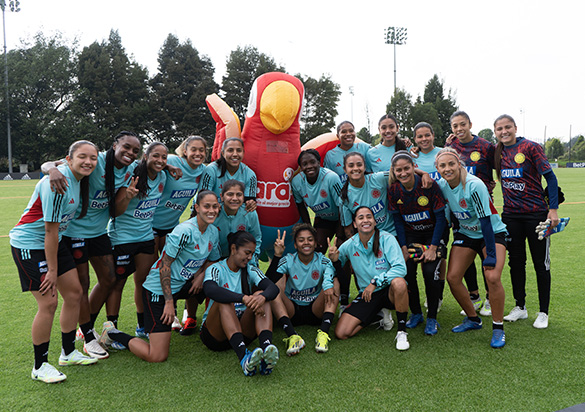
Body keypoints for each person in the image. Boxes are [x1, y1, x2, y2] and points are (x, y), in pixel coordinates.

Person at [41, 131, 142, 359]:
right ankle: (88, 336)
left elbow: (115, 210)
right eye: (126, 147)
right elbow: (50, 164)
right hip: (74, 232)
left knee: (109, 279)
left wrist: (127, 196)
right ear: (115, 144)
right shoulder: (95, 158)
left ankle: (86, 326)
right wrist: (53, 170)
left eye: (135, 151)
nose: (130, 153)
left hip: (98, 232)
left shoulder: (129, 170)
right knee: (82, 284)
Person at [10, 140, 99, 383]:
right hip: (30, 244)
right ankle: (39, 366)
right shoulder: (57, 183)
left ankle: (68, 352)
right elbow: (49, 231)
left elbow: (54, 234)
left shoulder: (75, 176)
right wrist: (52, 270)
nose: (88, 161)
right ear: (68, 159)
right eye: (82, 156)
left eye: (93, 157)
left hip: (54, 242)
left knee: (74, 293)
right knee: (48, 302)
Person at [99, 190, 221, 362]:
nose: (211, 210)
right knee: (157, 355)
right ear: (197, 208)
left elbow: (213, 260)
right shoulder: (184, 231)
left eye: (215, 206)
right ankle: (112, 333)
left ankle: (212, 330)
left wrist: (200, 276)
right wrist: (169, 302)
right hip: (159, 290)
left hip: (185, 284)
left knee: (217, 286)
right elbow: (165, 265)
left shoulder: (213, 232)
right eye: (206, 206)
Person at [435, 148, 508, 348]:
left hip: (491, 233)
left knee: (492, 277)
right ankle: (473, 319)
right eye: (443, 165)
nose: (447, 168)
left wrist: (490, 255)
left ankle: (498, 328)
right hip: (467, 234)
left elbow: (485, 221)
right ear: (437, 168)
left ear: (459, 164)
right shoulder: (441, 185)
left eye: (451, 164)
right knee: (452, 277)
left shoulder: (474, 185)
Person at [493, 115, 560, 329]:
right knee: (516, 262)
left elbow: (550, 178)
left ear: (515, 127)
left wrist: (553, 210)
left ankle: (543, 312)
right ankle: (520, 307)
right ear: (495, 132)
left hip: (536, 214)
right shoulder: (498, 151)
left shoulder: (530, 147)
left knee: (541, 264)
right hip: (511, 215)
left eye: (507, 127)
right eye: (499, 129)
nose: (504, 132)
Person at [106, 142, 168, 342]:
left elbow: (162, 167)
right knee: (117, 283)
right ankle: (112, 330)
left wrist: (169, 167)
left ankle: (142, 325)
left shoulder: (163, 176)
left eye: (164, 158)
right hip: (122, 237)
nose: (160, 160)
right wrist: (128, 196)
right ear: (146, 156)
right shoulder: (132, 174)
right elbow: (114, 210)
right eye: (155, 156)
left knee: (144, 282)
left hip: (146, 237)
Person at [200, 231, 280, 376]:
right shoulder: (216, 269)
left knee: (261, 297)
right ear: (233, 249)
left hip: (242, 332)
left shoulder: (250, 268)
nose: (250, 257)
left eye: (252, 254)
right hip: (215, 336)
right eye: (247, 253)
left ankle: (266, 351)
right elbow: (210, 289)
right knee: (224, 300)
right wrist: (242, 298)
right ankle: (244, 357)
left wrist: (261, 297)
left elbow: (272, 288)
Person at [329, 206, 410, 350]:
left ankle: (402, 332)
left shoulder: (387, 239)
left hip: (388, 291)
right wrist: (334, 260)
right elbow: (331, 265)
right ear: (354, 224)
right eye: (361, 218)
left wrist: (375, 282)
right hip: (368, 295)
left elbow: (400, 268)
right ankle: (378, 316)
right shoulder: (350, 244)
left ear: (374, 221)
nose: (365, 220)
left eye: (369, 217)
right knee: (341, 333)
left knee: (399, 283)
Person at [152, 136, 207, 334]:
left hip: (172, 227)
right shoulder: (173, 161)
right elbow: (149, 159)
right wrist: (167, 167)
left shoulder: (203, 170)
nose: (198, 153)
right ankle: (147, 321)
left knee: (175, 270)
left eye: (202, 150)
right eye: (194, 149)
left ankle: (175, 314)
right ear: (185, 151)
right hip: (149, 225)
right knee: (151, 272)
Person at [388, 151, 447, 335]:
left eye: (407, 168)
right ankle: (416, 313)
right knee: (407, 270)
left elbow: (441, 219)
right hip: (412, 238)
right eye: (399, 170)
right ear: (394, 171)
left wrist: (433, 248)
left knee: (430, 272)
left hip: (433, 237)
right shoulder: (394, 190)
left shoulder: (429, 185)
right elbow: (398, 221)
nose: (403, 173)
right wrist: (404, 248)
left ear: (414, 166)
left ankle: (432, 318)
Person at [446, 111, 495, 316]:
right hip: (460, 209)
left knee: (486, 253)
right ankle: (473, 296)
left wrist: (491, 186)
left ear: (470, 124)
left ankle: (490, 298)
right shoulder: (451, 146)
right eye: (455, 126)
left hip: (481, 204)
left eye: (462, 124)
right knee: (465, 252)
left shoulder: (485, 146)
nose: (459, 129)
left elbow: (498, 169)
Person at [266, 224, 341, 354]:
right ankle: (292, 336)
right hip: (292, 310)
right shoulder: (288, 260)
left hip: (315, 310)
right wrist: (277, 256)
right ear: (295, 245)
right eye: (301, 240)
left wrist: (335, 262)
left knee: (335, 283)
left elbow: (341, 283)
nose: (306, 243)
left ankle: (323, 334)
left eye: (310, 239)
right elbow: (267, 281)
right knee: (273, 288)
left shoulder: (322, 261)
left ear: (316, 243)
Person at [212, 179, 262, 265]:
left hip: (242, 260)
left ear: (243, 197)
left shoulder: (250, 213)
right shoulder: (214, 213)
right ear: (222, 197)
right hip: (217, 259)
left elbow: (256, 239)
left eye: (239, 195)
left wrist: (252, 261)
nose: (234, 198)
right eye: (230, 194)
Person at [200, 137, 257, 211]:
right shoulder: (211, 170)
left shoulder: (250, 174)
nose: (235, 154)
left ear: (243, 153)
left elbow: (248, 202)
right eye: (230, 150)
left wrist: (251, 203)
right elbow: (202, 198)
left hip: (233, 214)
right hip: (211, 212)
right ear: (223, 153)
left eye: (239, 150)